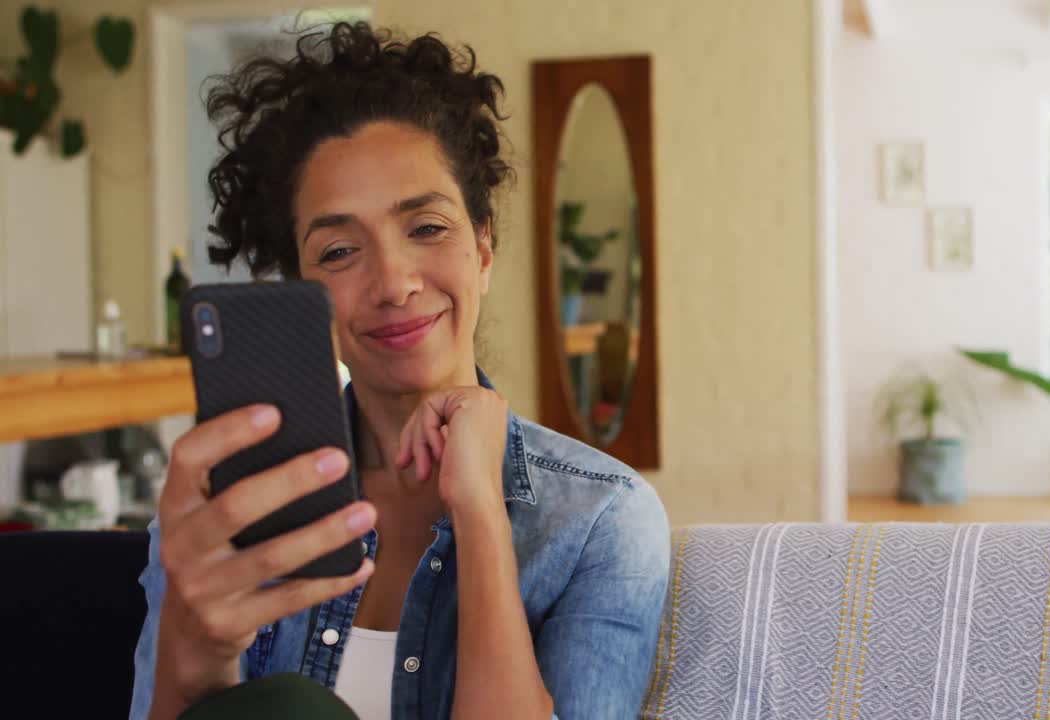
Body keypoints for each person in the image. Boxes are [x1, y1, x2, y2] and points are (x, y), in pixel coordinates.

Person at [128, 22, 670, 720]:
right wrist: (196, 646)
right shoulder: (227, 514)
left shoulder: (601, 518)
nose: (393, 282)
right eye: (339, 251)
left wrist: (479, 513)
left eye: (426, 228)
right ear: (300, 285)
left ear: (483, 249)